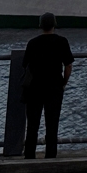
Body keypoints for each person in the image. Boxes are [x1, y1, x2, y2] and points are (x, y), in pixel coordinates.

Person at [22, 12, 74, 159]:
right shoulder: (62, 41)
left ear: (40, 25)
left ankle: (29, 156)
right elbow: (68, 65)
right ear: (54, 25)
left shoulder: (32, 43)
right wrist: (64, 82)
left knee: (32, 125)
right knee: (52, 124)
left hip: (34, 88)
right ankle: (50, 156)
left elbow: (25, 64)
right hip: (54, 88)